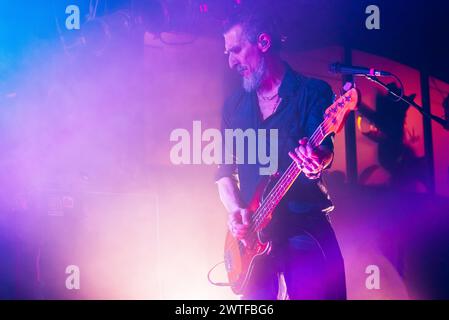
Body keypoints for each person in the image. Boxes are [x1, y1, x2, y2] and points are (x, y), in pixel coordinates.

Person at [215, 11, 347, 300]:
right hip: (253, 241)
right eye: (227, 53)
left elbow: (323, 151)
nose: (231, 62)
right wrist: (235, 211)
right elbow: (224, 173)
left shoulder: (311, 91)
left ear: (263, 42)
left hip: (303, 227)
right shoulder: (233, 106)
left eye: (236, 50)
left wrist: (315, 163)